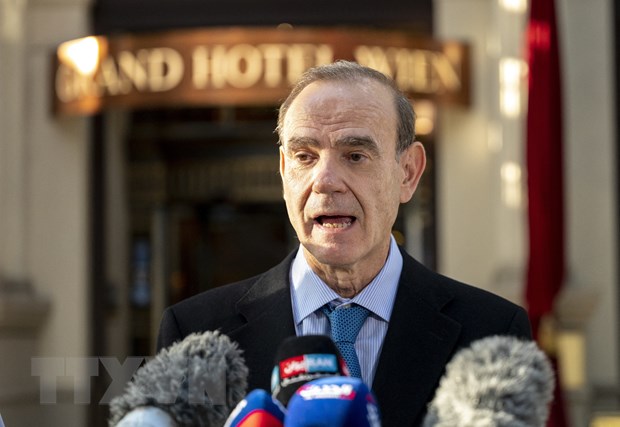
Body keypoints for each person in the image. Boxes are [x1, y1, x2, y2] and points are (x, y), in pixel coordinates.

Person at [157, 60, 532, 426]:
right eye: (305, 157)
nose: (325, 181)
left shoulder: (492, 332)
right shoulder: (196, 334)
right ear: (284, 171)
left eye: (355, 156)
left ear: (408, 172)